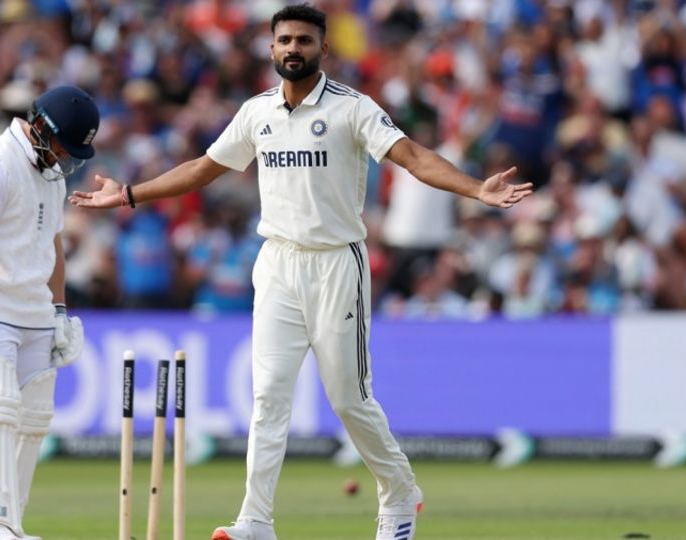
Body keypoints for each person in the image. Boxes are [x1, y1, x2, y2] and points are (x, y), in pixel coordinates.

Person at [71, 5, 533, 540]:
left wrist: (475, 188)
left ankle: (399, 491)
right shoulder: (257, 112)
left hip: (337, 263)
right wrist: (129, 194)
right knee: (267, 395)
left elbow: (411, 155)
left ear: (323, 50)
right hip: (277, 263)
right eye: (285, 39)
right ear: (271, 49)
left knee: (347, 397)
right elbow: (204, 168)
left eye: (305, 41)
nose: (293, 48)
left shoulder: (352, 108)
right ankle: (255, 520)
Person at [0, 85, 99, 540]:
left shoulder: (52, 175)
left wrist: (61, 311)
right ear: (43, 128)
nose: (68, 162)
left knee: (32, 419)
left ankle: (7, 526)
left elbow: (54, 247)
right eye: (66, 148)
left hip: (36, 312)